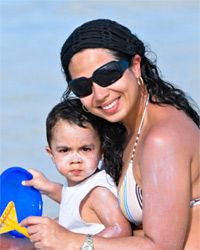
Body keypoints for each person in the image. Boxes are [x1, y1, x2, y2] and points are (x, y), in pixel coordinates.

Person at [22, 19, 200, 250]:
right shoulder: (124, 130)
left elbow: (162, 247)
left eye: (107, 75)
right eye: (83, 87)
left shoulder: (162, 138)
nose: (99, 94)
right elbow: (103, 208)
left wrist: (71, 241)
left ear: (136, 65)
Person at [22, 98, 131, 239]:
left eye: (85, 149)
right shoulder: (84, 186)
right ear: (51, 153)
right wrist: (48, 187)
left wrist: (80, 244)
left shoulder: (100, 193)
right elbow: (75, 202)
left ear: (101, 151)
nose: (75, 160)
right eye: (64, 150)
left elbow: (121, 230)